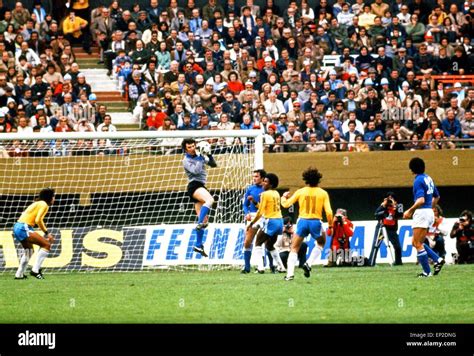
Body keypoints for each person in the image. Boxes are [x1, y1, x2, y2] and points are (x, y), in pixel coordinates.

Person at [281, 167, 333, 280]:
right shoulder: (323, 193)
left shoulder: (301, 191)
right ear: (318, 180)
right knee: (321, 242)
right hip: (315, 222)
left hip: (302, 221)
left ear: (306, 179)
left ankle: (289, 275)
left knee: (294, 247)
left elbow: (286, 205)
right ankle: (308, 263)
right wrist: (330, 225)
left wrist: (283, 197)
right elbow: (329, 212)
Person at [403, 157, 445, 277]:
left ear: (412, 169)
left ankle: (427, 272)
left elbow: (420, 200)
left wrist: (409, 211)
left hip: (422, 213)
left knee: (417, 243)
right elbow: (437, 196)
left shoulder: (418, 180)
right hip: (428, 212)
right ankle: (438, 260)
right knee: (416, 242)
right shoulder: (428, 178)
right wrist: (430, 208)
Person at [181, 139, 217, 257]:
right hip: (194, 186)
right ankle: (200, 223)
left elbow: (213, 164)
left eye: (193, 146)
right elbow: (196, 171)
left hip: (200, 186)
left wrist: (209, 154)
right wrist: (201, 157)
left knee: (204, 221)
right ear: (185, 149)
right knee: (210, 200)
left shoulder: (198, 155)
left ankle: (198, 244)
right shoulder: (186, 160)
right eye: (189, 147)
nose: (192, 148)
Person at [13, 188, 56, 280]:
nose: (54, 199)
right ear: (49, 197)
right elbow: (38, 220)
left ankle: (19, 274)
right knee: (46, 244)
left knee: (29, 251)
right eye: (53, 197)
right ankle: (35, 270)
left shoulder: (37, 203)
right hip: (24, 227)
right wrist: (47, 233)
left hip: (18, 226)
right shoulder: (44, 204)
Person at [247, 173, 285, 274]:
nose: (263, 183)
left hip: (271, 221)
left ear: (271, 184)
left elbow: (260, 212)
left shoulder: (265, 194)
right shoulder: (276, 193)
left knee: (258, 243)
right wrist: (255, 202)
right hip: (279, 221)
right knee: (269, 245)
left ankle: (260, 267)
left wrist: (252, 223)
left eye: (266, 182)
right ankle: (281, 267)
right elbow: (264, 207)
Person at [241, 169, 266, 274]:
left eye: (256, 176)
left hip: (265, 216)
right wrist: (247, 213)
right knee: (247, 241)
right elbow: (245, 204)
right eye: (253, 176)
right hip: (253, 216)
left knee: (266, 242)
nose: (254, 178)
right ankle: (247, 267)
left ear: (262, 178)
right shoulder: (250, 189)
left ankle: (268, 266)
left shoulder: (267, 189)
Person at [370, 192, 404, 266]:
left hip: (391, 229)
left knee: (397, 246)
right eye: (388, 199)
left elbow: (400, 215)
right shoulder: (383, 205)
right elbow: (376, 215)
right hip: (381, 228)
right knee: (376, 244)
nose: (390, 201)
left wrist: (395, 207)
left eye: (392, 198)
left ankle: (398, 262)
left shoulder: (399, 206)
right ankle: (371, 262)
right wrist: (383, 205)